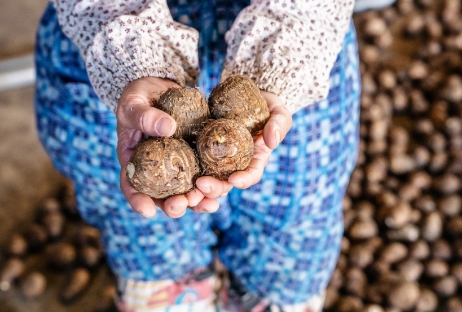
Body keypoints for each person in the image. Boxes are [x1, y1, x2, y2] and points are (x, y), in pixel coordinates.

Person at [34, 0, 364, 311]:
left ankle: (272, 292)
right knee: (139, 221)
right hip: (115, 44)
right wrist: (133, 63)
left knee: (297, 213)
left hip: (295, 50)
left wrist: (274, 70)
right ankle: (167, 285)